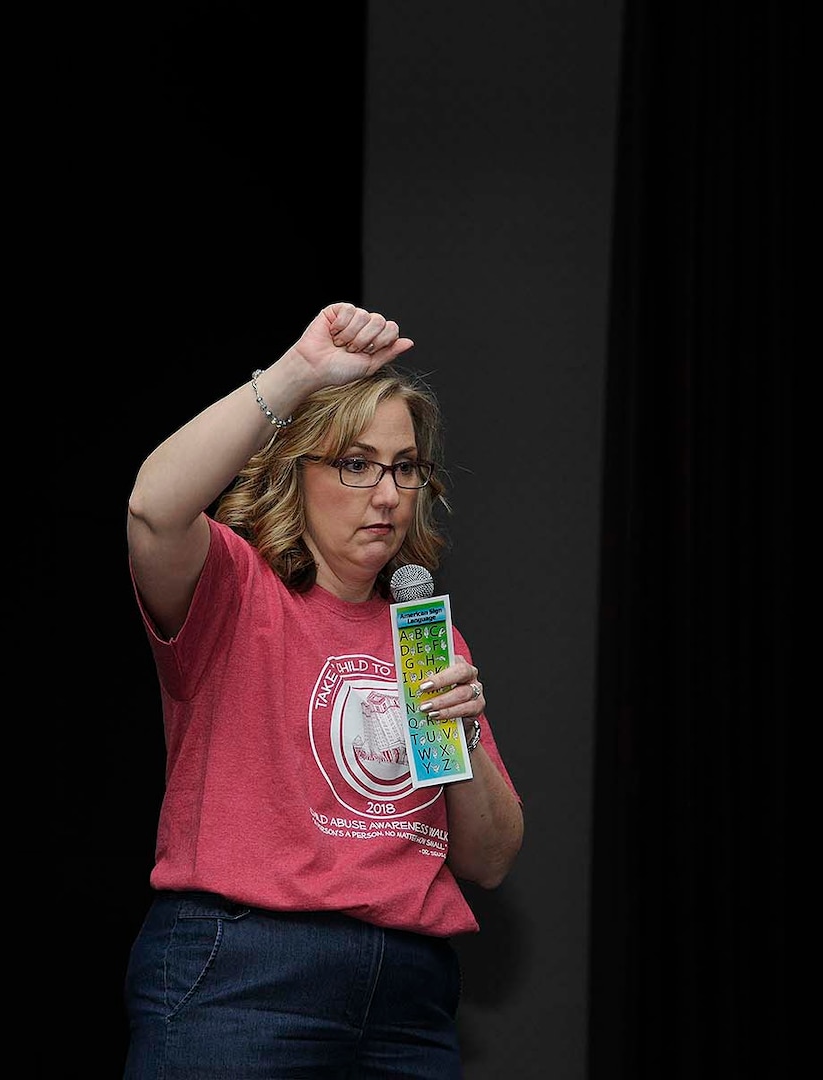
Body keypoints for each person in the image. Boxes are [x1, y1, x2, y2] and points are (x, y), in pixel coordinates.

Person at [122, 302, 525, 1078]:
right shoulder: (234, 588)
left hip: (409, 996)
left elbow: (492, 860)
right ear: (294, 471)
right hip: (247, 977)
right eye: (356, 464)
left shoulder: (424, 633)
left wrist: (463, 734)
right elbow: (152, 507)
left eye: (405, 467)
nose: (387, 494)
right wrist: (299, 372)